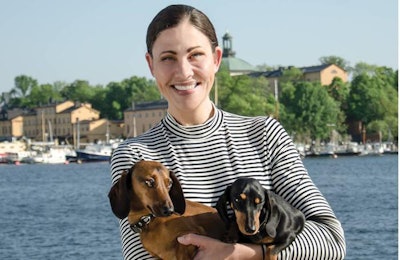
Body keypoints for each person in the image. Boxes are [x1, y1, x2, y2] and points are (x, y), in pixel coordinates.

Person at [110, 4, 346, 260]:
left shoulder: (265, 135)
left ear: (216, 59)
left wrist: (240, 254)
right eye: (168, 58)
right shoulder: (135, 158)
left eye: (195, 55)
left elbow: (331, 240)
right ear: (151, 64)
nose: (184, 71)